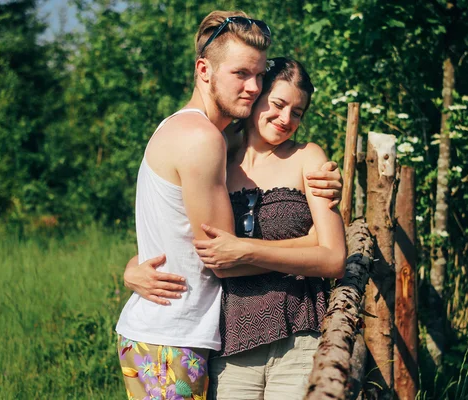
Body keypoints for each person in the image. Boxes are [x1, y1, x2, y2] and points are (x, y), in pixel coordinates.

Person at [116, 10, 342, 400]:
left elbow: (184, 236)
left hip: (183, 331)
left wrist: (135, 266)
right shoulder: (204, 140)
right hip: (173, 334)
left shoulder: (183, 129)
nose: (252, 87)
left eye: (257, 76)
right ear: (204, 70)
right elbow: (225, 256)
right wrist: (310, 243)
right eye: (241, 74)